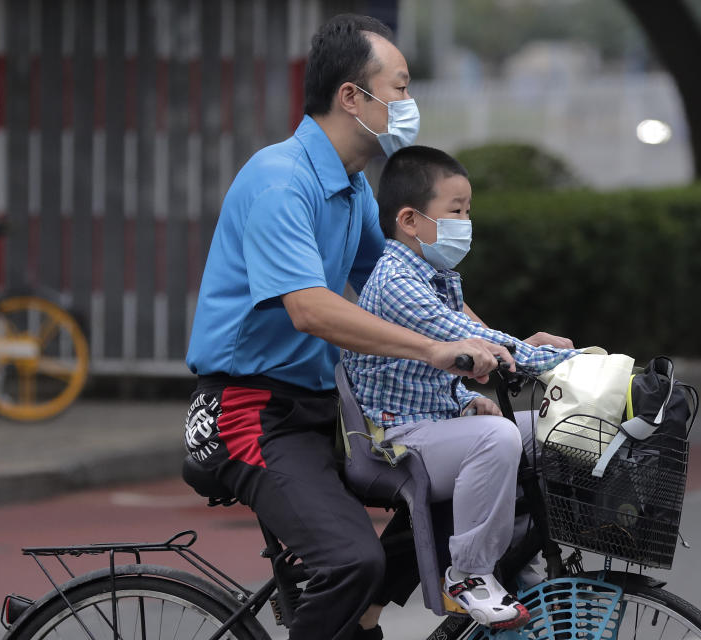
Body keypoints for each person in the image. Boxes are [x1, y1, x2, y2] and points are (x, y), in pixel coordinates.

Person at [183, 15, 514, 640]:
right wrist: (436, 351)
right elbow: (309, 307)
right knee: (350, 561)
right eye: (401, 88)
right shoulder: (281, 180)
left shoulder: (353, 189)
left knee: (468, 477)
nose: (410, 104)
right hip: (248, 411)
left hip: (322, 410)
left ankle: (360, 621)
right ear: (351, 98)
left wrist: (502, 344)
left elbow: (409, 292)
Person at [341, 145, 577, 630]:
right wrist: (573, 363)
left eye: (468, 211)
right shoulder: (396, 281)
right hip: (395, 441)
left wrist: (469, 397)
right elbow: (464, 338)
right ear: (410, 220)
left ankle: (518, 560)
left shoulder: (436, 276)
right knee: (498, 440)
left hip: (434, 424)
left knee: (552, 432)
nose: (466, 222)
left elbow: (448, 360)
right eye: (456, 211)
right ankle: (469, 574)